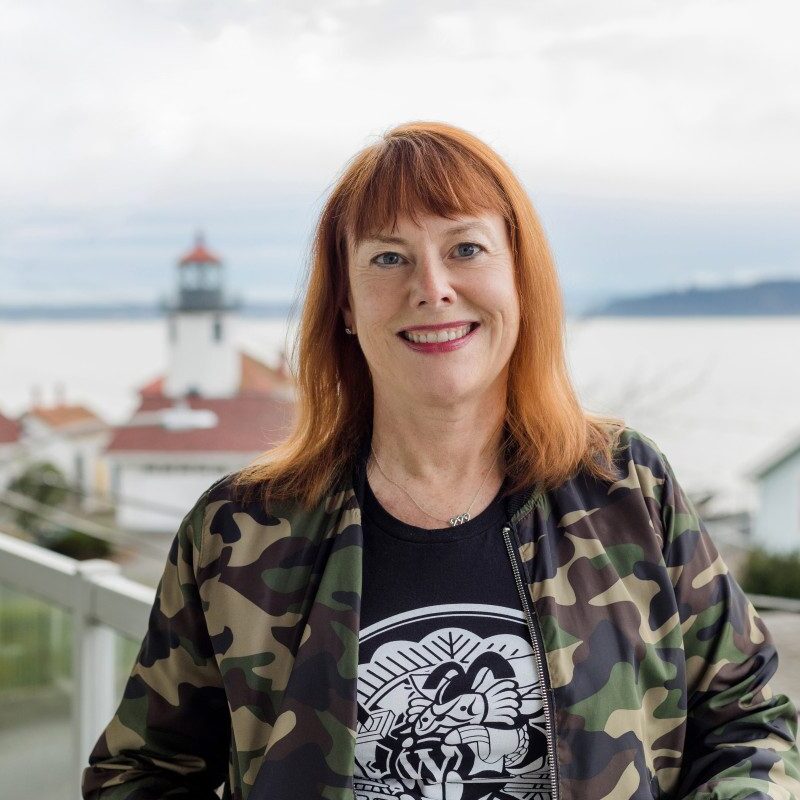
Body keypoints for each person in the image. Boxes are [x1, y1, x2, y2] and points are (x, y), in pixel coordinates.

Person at [82, 121, 800, 800]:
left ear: (520, 278)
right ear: (346, 305)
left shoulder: (627, 487)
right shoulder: (239, 531)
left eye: (465, 249)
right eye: (388, 257)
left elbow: (749, 721)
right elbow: (139, 772)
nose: (432, 288)